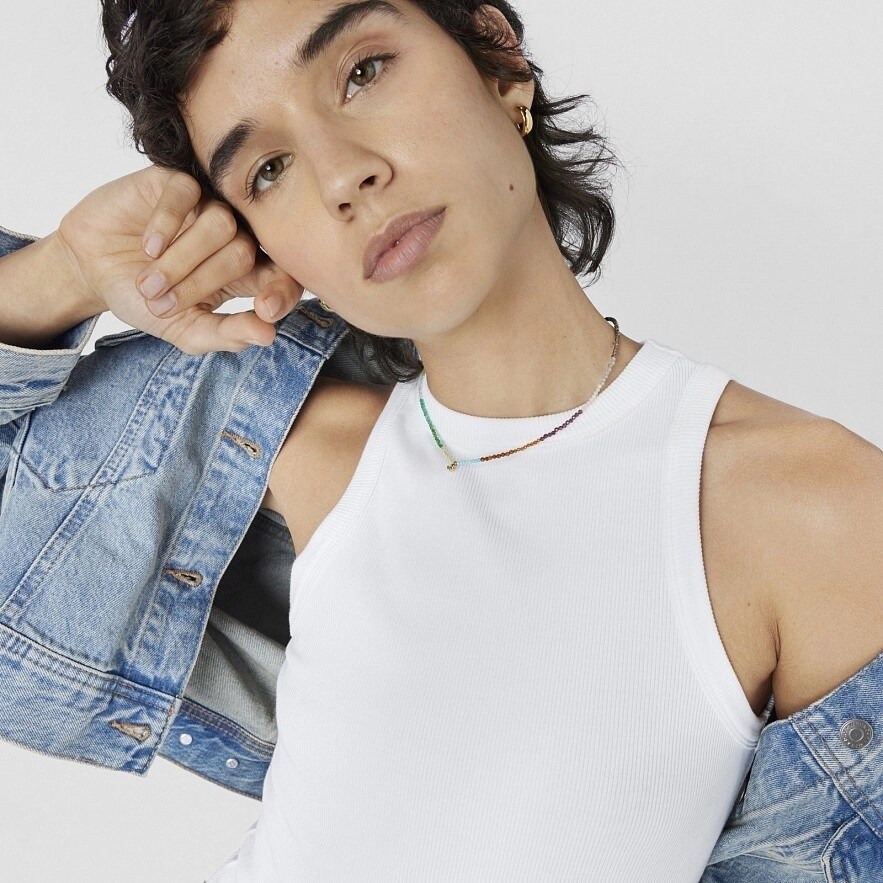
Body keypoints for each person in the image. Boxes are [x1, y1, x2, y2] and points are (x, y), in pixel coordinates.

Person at [1, 0, 880, 880]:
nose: (342, 177)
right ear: (258, 241)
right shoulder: (294, 452)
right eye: (269, 169)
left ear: (496, 60)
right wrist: (64, 273)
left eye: (362, 72)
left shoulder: (811, 507)